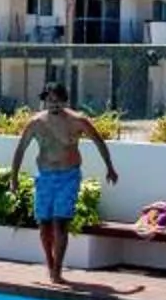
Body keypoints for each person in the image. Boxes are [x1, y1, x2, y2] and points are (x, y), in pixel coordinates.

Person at [7, 85, 120, 287]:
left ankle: (57, 271)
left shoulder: (78, 121)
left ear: (65, 101)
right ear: (45, 101)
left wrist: (110, 167)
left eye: (58, 100)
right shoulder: (36, 123)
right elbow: (20, 150)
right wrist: (13, 178)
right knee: (44, 225)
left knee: (60, 223)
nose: (54, 104)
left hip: (69, 177)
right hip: (45, 177)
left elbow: (98, 142)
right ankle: (50, 265)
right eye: (50, 100)